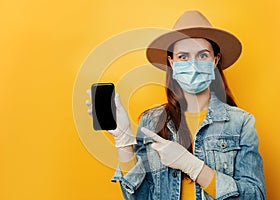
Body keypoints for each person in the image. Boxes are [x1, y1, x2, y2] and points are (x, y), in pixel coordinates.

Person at [86, 10, 266, 200]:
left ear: (215, 60)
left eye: (203, 55)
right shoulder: (152, 121)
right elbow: (140, 197)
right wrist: (124, 143)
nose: (194, 64)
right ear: (171, 62)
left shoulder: (241, 123)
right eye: (183, 57)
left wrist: (192, 166)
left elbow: (255, 196)